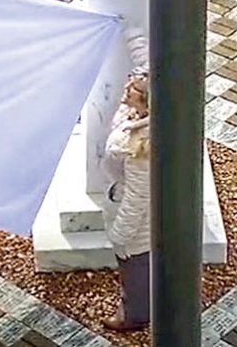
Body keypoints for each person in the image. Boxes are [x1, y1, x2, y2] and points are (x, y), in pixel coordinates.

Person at [102, 28, 150, 331]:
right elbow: (145, 66)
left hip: (138, 230)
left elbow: (137, 197)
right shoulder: (140, 113)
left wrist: (121, 238)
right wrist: (131, 32)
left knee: (135, 269)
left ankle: (135, 316)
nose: (128, 86)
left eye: (134, 88)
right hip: (133, 213)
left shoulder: (143, 144)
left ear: (145, 101)